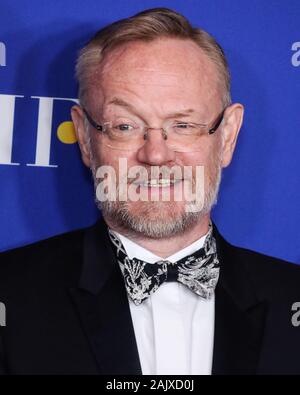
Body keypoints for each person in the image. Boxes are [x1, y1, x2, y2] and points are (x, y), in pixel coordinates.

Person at [0, 7, 300, 376]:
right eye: (125, 126)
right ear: (84, 137)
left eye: (183, 124)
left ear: (227, 136)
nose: (156, 154)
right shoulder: (10, 295)